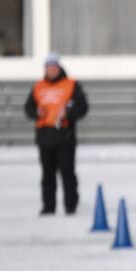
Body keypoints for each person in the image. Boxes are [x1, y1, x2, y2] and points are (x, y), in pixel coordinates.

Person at [23, 52, 89, 215]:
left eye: (54, 67)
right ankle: (48, 207)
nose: (51, 70)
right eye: (48, 67)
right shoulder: (38, 87)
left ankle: (70, 206)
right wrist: (36, 113)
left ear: (59, 68)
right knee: (47, 175)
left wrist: (68, 113)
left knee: (67, 172)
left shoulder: (71, 85)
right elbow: (28, 108)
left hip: (64, 136)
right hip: (45, 136)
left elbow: (82, 107)